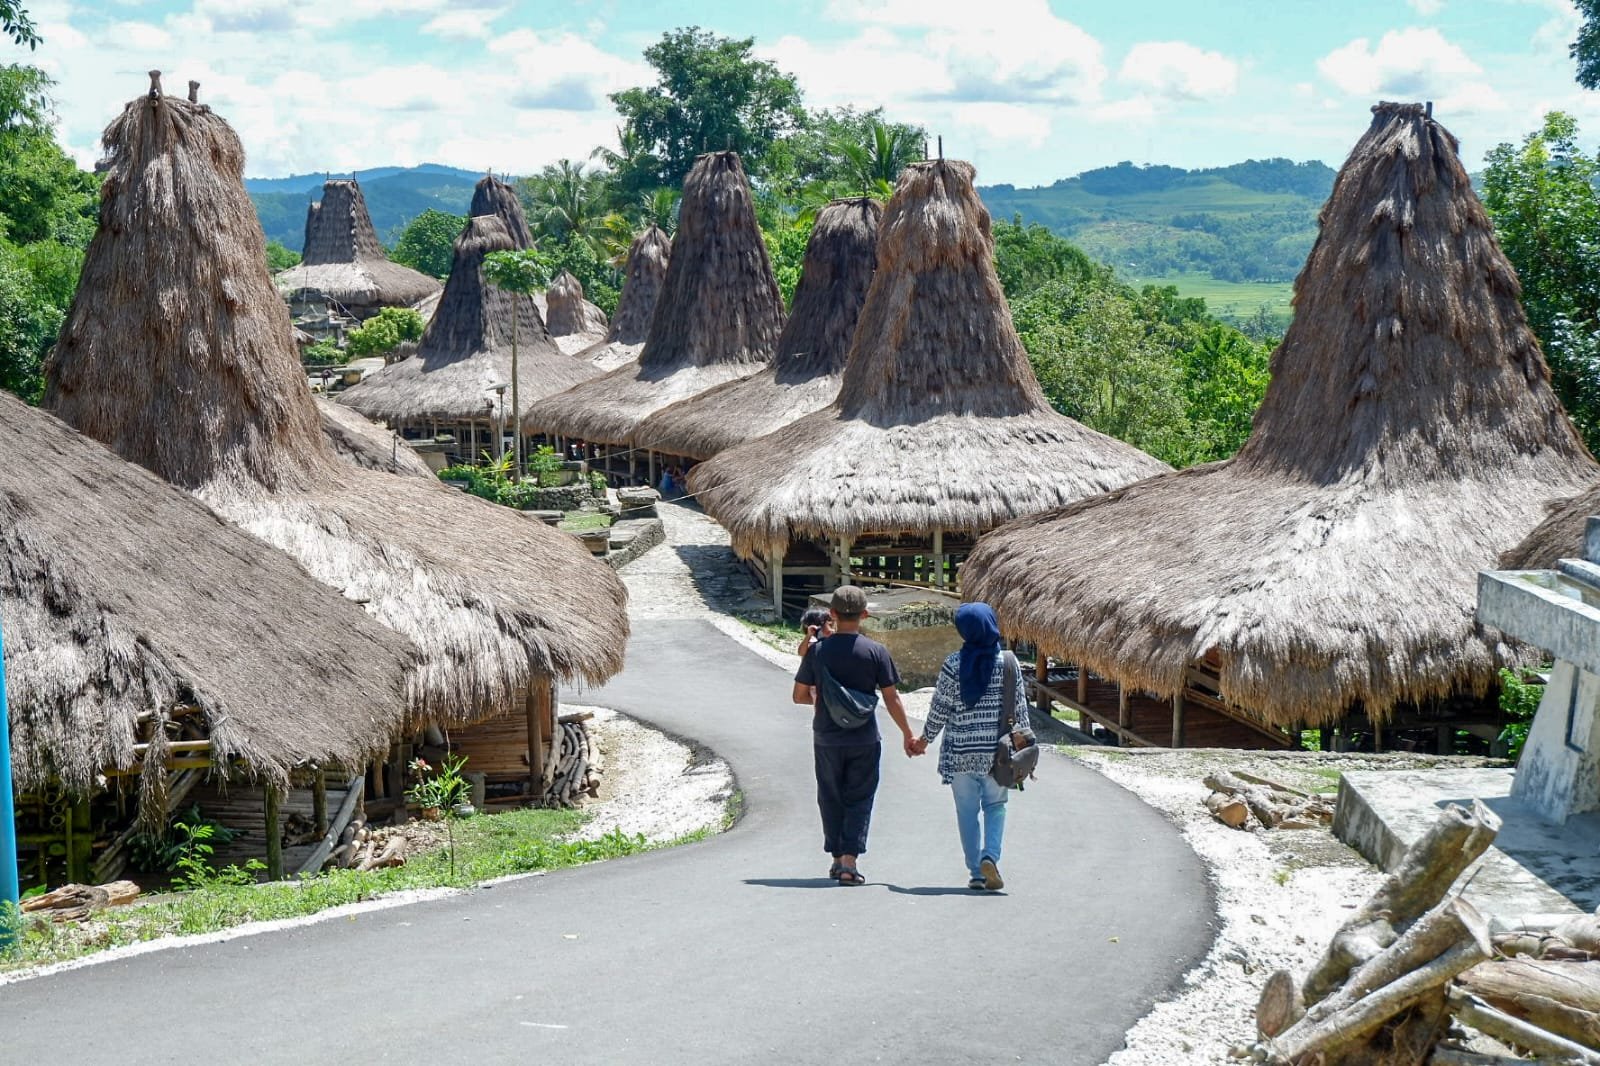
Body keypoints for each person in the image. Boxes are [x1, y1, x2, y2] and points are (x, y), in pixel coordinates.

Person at [793, 585, 918, 885]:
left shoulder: (817, 652)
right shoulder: (876, 652)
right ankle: (850, 862)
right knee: (859, 797)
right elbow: (891, 698)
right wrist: (907, 734)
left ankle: (837, 858)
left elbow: (799, 696)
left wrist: (828, 702)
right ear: (864, 615)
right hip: (864, 738)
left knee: (830, 796)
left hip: (827, 737)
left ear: (832, 614)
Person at [913, 602, 1033, 891]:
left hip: (961, 754)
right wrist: (1026, 750)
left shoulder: (953, 664)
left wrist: (923, 740)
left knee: (966, 813)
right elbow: (1020, 710)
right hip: (999, 754)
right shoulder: (1009, 663)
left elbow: (939, 709)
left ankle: (976, 872)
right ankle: (989, 856)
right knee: (996, 806)